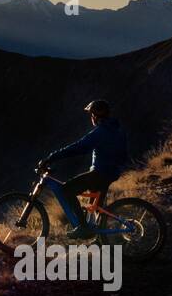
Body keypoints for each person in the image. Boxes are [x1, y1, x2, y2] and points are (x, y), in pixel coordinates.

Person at [38, 99, 130, 239]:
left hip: (100, 173)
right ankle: (99, 238)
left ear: (95, 115)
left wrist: (52, 157)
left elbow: (78, 147)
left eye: (91, 114)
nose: (91, 117)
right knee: (94, 207)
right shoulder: (118, 129)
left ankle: (82, 227)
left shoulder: (100, 132)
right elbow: (123, 154)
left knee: (67, 190)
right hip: (112, 172)